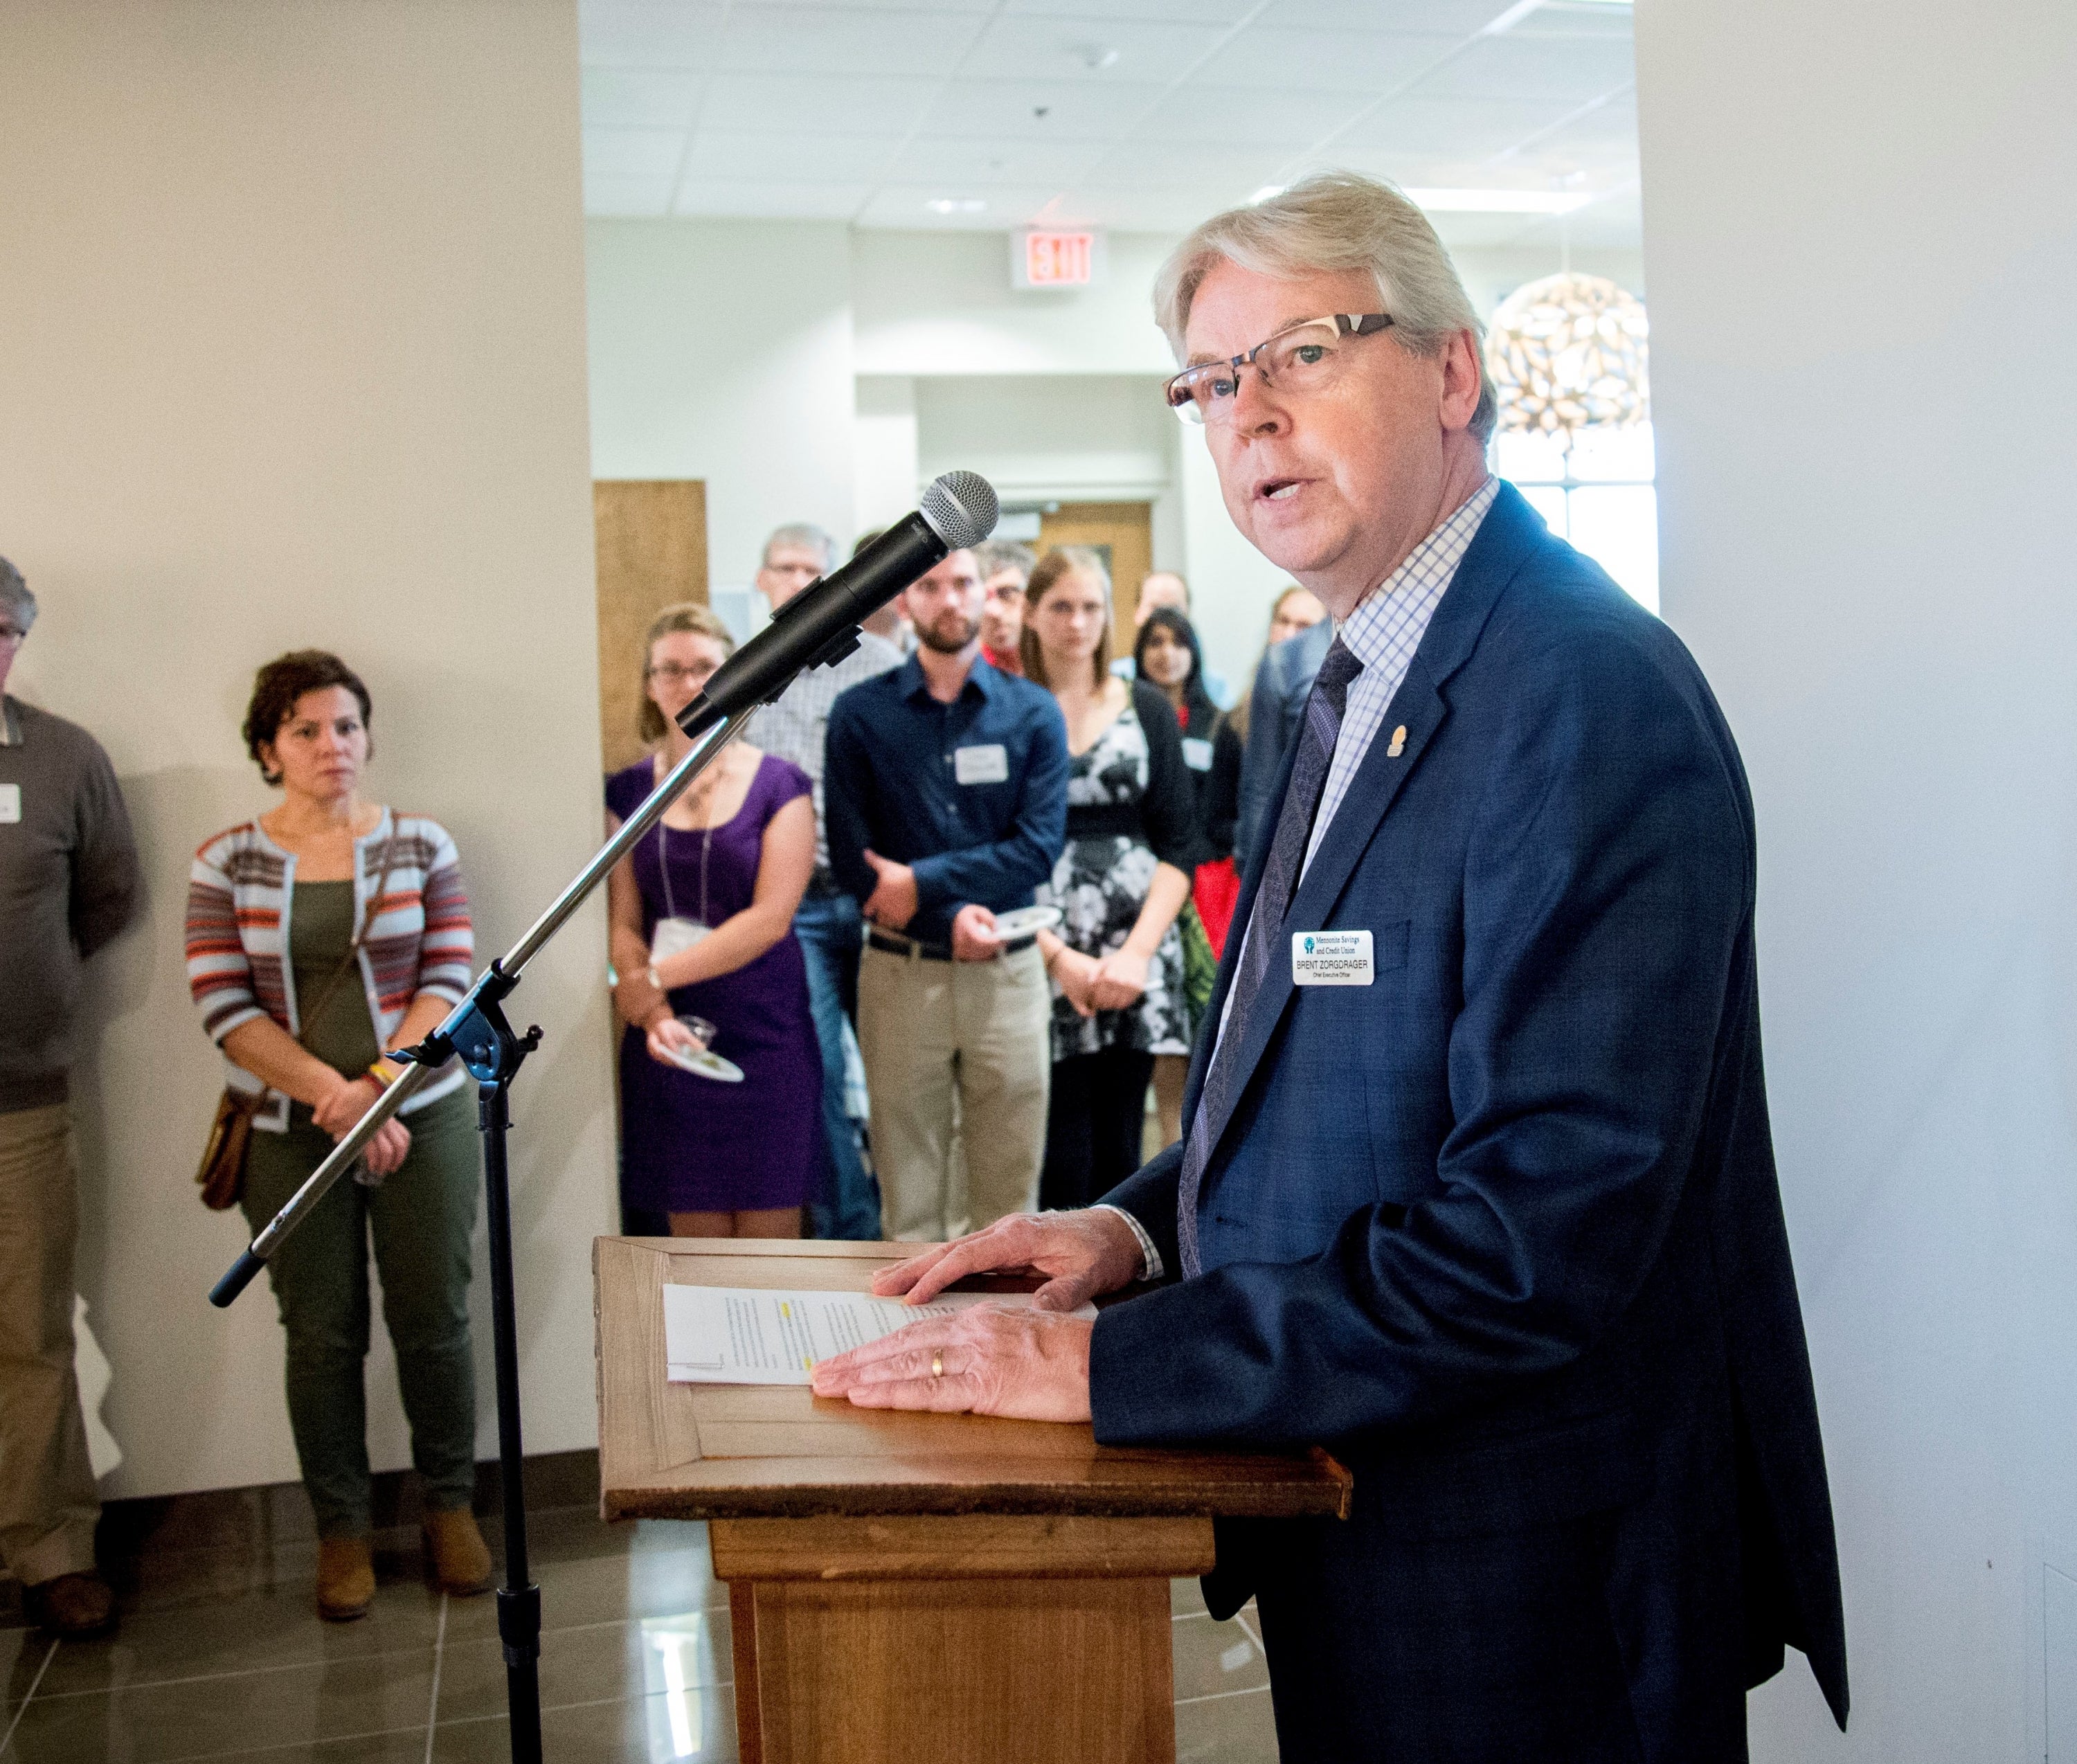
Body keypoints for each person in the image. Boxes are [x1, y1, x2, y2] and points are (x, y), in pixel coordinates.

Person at [810, 172, 1848, 1761]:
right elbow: (1311, 1078)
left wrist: (1108, 1368)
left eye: (1300, 353)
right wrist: (1131, 1230)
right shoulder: (1324, 676)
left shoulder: (1581, 692)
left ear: (1450, 374)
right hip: (1355, 1518)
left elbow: (1534, 1234)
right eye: (1214, 382)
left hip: (1530, 1576)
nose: (1249, 417)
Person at [186, 650, 492, 1623]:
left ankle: (451, 1507)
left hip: (420, 1118)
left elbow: (449, 979)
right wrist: (335, 1097)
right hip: (286, 1127)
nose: (332, 747)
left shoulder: (422, 844)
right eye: (307, 731)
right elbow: (221, 1003)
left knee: (434, 1322)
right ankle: (342, 1530)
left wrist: (379, 1097)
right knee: (321, 1337)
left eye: (348, 726)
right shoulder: (225, 858)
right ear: (268, 748)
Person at [823, 549, 1068, 1243]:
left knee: (1008, 1200)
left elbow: (1037, 847)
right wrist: (947, 912)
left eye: (962, 584)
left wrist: (925, 886)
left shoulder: (1033, 713)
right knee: (910, 1200)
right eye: (929, 586)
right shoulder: (859, 715)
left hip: (1010, 973)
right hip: (903, 975)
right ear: (906, 602)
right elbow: (852, 862)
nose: (949, 600)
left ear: (987, 594)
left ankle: (998, 1348)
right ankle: (908, 1349)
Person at [0, 558, 140, 1641]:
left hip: (21, 1103)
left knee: (31, 1335)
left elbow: (106, 897)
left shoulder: (61, 758)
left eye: (1, 628)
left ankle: (48, 1549)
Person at [609, 604, 821, 1239]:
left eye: (704, 666)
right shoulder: (622, 793)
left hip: (766, 1030)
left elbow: (770, 919)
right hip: (670, 1036)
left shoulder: (783, 784)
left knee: (769, 1251)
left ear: (734, 673)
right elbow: (623, 920)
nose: (687, 682)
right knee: (693, 1257)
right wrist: (651, 1010)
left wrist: (652, 977)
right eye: (669, 669)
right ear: (649, 684)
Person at [1020, 551, 1201, 1207]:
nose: (1077, 623)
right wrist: (1057, 957)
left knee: (1123, 1145)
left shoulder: (1148, 709)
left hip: (1138, 943)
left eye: (1091, 607)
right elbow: (992, 850)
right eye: (1062, 607)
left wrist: (1137, 954)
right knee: (1056, 1146)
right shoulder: (1010, 710)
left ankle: (1117, 1304)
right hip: (1038, 943)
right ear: (1031, 614)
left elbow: (1181, 843)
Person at [744, 525, 902, 1241]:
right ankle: (854, 1237)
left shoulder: (885, 666)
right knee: (825, 1078)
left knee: (898, 1080)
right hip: (794, 908)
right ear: (763, 580)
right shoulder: (746, 674)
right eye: (788, 568)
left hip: (877, 899)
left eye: (817, 569)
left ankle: (911, 1228)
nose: (803, 581)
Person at [1134, 606, 1243, 1146]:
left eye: (1178, 642)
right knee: (1159, 1029)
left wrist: (1192, 857)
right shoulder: (1125, 720)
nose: (1166, 652)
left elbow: (1226, 814)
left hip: (1205, 887)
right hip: (1141, 886)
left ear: (1194, 652)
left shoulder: (1219, 723)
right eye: (1154, 641)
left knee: (1204, 1019)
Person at [1235, 585, 1332, 860]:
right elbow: (1260, 788)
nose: (1290, 634)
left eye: (1304, 625)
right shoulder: (1279, 667)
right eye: (1283, 621)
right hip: (1291, 846)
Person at [1111, 571, 1229, 705]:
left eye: (1174, 610)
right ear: (1137, 613)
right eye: (1155, 609)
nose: (1164, 619)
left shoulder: (1215, 688)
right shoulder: (1114, 679)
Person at [973, 539, 1034, 676]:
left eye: (1007, 594)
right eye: (983, 599)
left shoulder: (1058, 661)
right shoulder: (962, 673)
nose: (994, 611)